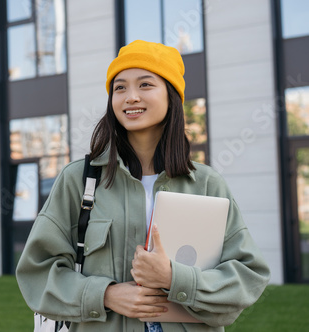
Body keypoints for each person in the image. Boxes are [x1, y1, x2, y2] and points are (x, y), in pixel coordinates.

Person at [16, 40, 271, 332]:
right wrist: (106, 295)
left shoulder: (207, 184)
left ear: (171, 95)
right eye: (120, 87)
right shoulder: (79, 180)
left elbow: (248, 276)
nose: (130, 97)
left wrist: (175, 278)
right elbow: (36, 272)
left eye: (146, 84)